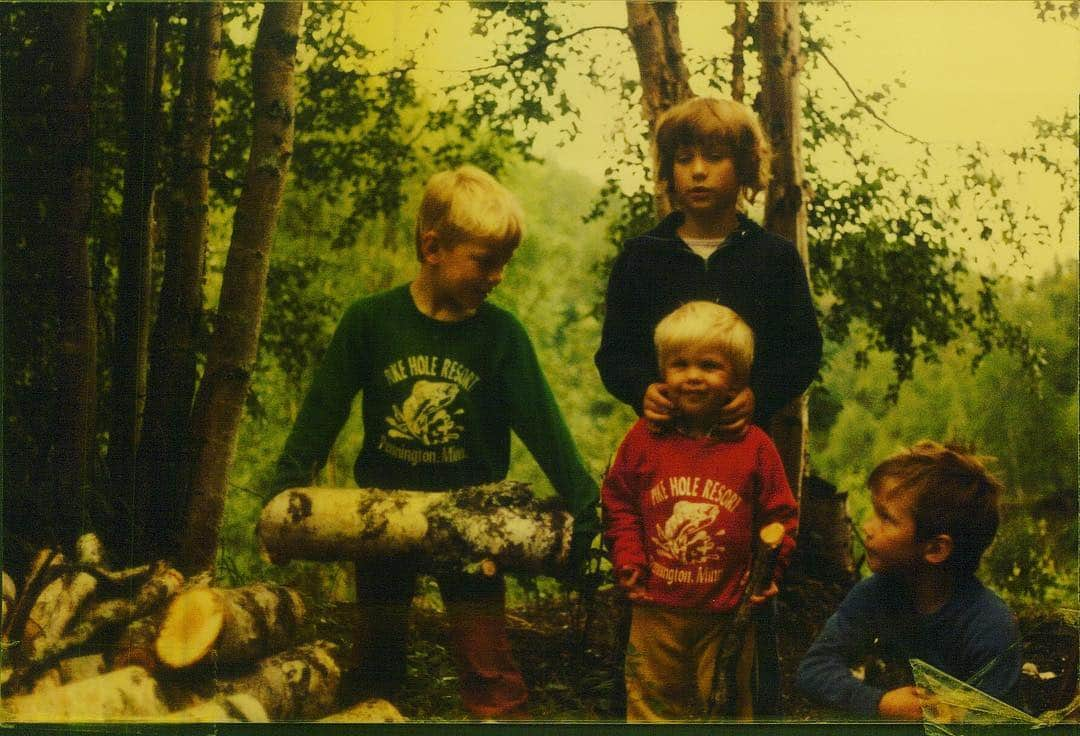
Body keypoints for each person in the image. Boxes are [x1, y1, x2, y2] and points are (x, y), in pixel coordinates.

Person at [269, 165, 599, 719]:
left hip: (473, 523)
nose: (497, 276)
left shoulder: (501, 336)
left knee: (487, 665)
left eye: (505, 264)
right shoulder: (370, 321)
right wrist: (285, 492)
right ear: (433, 247)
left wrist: (587, 501)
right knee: (376, 662)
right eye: (484, 261)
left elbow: (544, 426)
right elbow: (323, 410)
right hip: (381, 518)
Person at [594, 95, 822, 715]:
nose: (697, 171)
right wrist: (640, 386)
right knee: (656, 618)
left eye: (715, 158)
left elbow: (805, 351)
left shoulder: (772, 259)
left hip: (742, 460)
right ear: (667, 170)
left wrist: (761, 394)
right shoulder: (644, 257)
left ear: (745, 171)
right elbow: (612, 352)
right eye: (683, 158)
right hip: (660, 460)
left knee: (745, 615)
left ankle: (747, 708)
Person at [602, 301, 798, 721]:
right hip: (655, 608)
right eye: (679, 364)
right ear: (662, 373)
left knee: (725, 705)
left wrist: (769, 574)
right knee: (650, 706)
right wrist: (628, 557)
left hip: (725, 611)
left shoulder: (755, 447)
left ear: (738, 379)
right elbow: (619, 501)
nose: (692, 376)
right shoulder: (642, 439)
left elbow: (780, 516)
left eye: (709, 365)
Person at [796, 441, 1021, 720]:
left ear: (936, 549)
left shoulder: (988, 627)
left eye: (886, 519)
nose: (867, 527)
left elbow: (999, 721)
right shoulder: (874, 594)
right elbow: (814, 668)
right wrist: (881, 703)